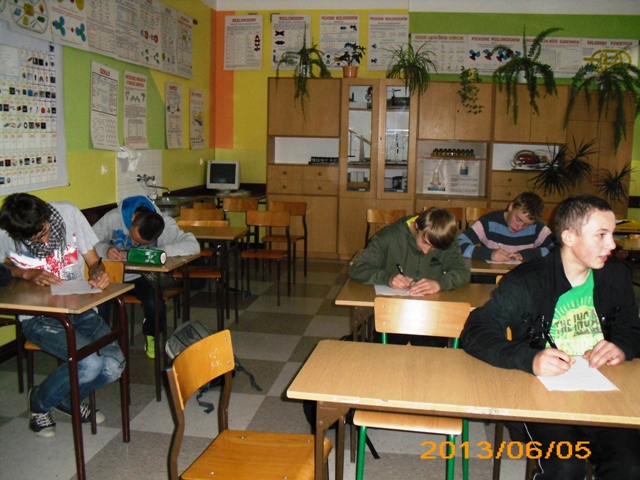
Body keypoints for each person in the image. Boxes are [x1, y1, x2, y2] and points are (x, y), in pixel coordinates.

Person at [461, 194, 640, 479]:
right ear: (569, 237)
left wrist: (622, 347)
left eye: (612, 235)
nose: (612, 245)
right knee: (566, 467)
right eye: (601, 235)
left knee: (631, 466)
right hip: (543, 399)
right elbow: (475, 332)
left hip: (606, 396)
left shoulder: (615, 275)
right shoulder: (527, 281)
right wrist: (529, 358)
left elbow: (631, 329)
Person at [0, 193, 122, 438]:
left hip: (80, 308)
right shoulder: (5, 232)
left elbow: (93, 261)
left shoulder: (68, 213)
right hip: (37, 316)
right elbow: (3, 267)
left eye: (45, 231)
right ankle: (39, 403)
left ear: (46, 215)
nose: (45, 241)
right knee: (89, 363)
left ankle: (66, 400)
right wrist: (26, 273)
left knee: (114, 365)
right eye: (36, 239)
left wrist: (98, 272)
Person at [92, 195, 200, 359]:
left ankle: (151, 335)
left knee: (155, 304)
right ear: (133, 218)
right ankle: (104, 347)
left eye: (141, 243)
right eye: (133, 238)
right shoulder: (112, 218)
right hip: (110, 276)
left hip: (141, 276)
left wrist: (161, 251)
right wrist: (105, 249)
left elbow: (193, 245)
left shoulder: (162, 224)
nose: (134, 244)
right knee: (100, 305)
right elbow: (87, 242)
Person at [349, 207, 470, 294]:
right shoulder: (388, 236)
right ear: (417, 226)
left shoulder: (445, 239)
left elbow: (463, 272)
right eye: (425, 242)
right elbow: (357, 269)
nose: (426, 251)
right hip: (391, 306)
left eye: (434, 248)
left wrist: (439, 283)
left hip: (432, 306)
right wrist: (387, 278)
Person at [458, 191, 555, 262]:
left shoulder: (537, 227)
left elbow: (558, 248)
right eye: (518, 219)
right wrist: (489, 254)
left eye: (527, 225)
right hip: (490, 278)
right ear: (511, 207)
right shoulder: (488, 222)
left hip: (524, 278)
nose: (520, 227)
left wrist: (527, 254)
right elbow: (458, 243)